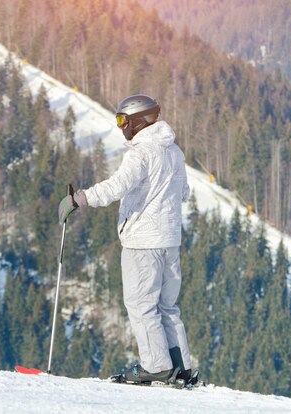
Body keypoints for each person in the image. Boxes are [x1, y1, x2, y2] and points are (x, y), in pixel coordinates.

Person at [58, 94, 192, 383]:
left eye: (122, 120)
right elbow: (184, 193)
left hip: (143, 243)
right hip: (169, 241)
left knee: (141, 304)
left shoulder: (141, 153)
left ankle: (156, 366)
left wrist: (80, 199)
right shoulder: (174, 152)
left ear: (137, 121)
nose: (120, 126)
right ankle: (181, 368)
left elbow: (117, 186)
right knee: (167, 306)